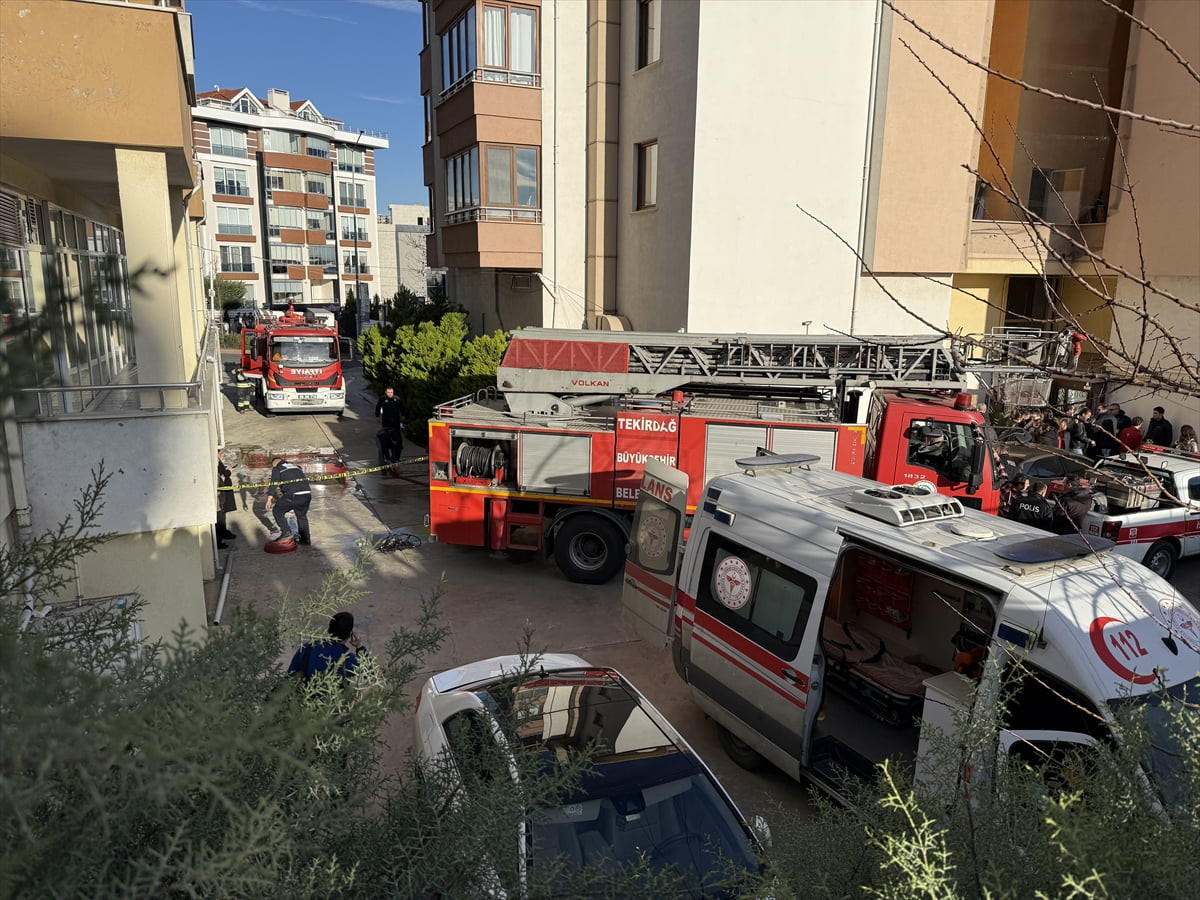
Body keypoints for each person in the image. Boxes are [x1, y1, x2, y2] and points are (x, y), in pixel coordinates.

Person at [287, 611, 367, 681]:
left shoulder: (307, 647)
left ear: (329, 630)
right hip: (329, 698)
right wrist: (359, 647)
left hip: (301, 696)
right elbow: (370, 673)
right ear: (350, 635)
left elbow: (290, 675)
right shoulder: (349, 660)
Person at [266, 456, 312, 545]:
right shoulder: (295, 467)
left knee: (278, 510)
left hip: (293, 495)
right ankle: (305, 540)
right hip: (307, 494)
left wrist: (269, 499)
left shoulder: (277, 468)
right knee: (301, 516)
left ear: (274, 464)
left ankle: (286, 532)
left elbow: (274, 483)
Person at [374, 386, 405, 468]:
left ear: (393, 392)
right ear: (385, 392)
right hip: (386, 423)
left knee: (398, 441)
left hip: (396, 422)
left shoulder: (397, 399)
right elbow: (378, 407)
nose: (390, 394)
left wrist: (403, 416)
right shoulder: (383, 399)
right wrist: (377, 416)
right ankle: (387, 459)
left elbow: (402, 408)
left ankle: (396, 458)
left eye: (391, 392)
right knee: (386, 440)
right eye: (388, 392)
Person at [216, 453, 237, 548]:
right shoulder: (213, 461)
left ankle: (223, 532)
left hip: (222, 493)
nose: (221, 455)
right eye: (220, 453)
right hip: (219, 494)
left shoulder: (217, 461)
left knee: (222, 514)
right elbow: (220, 477)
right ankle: (218, 541)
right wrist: (228, 472)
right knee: (219, 516)